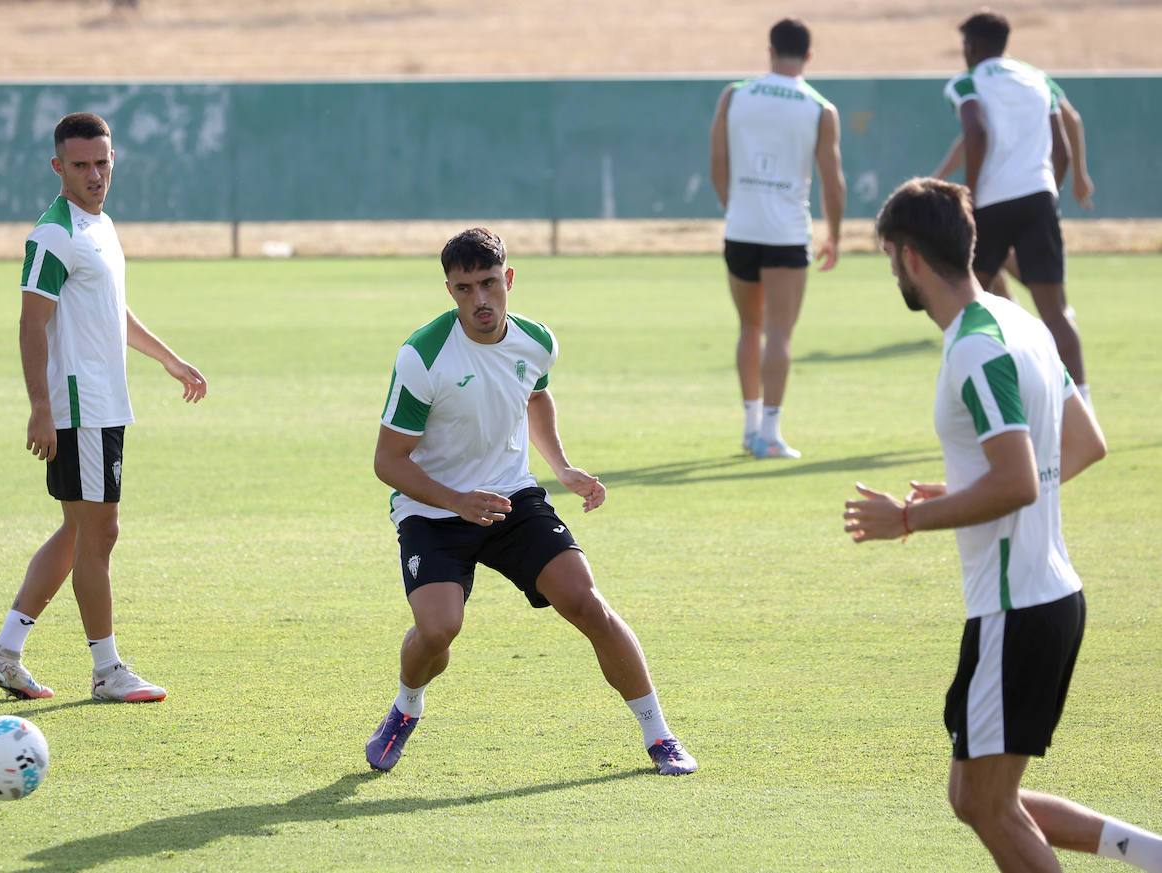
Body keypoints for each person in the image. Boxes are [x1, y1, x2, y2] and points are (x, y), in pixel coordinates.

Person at [844, 176, 1162, 873]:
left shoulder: (974, 348)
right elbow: (1082, 445)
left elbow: (1018, 481)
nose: (892, 268)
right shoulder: (1022, 323)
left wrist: (908, 516)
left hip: (1016, 608)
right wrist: (968, 489)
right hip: (1045, 597)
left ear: (910, 258)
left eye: (889, 255)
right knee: (976, 795)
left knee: (988, 804)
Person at [365, 227, 696, 776]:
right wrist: (458, 501)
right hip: (433, 510)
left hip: (512, 497)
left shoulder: (536, 340)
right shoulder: (423, 356)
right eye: (465, 288)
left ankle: (659, 736)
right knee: (438, 629)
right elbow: (388, 462)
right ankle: (406, 707)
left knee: (588, 603)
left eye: (490, 284)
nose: (481, 301)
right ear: (449, 290)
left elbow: (535, 396)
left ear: (508, 279)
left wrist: (562, 466)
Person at [0, 112, 208, 704]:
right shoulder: (54, 234)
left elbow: (114, 312)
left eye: (102, 162)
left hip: (105, 405)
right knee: (99, 533)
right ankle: (107, 670)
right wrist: (40, 408)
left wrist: (169, 359)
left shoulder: (100, 225)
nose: (95, 174)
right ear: (58, 167)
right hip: (77, 409)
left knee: (80, 534)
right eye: (80, 165)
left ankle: (5, 651)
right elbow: (32, 324)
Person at [709, 17, 845, 459]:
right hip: (787, 233)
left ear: (770, 51)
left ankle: (750, 428)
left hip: (741, 229)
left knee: (749, 326)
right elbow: (833, 179)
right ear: (808, 56)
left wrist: (735, 207)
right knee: (780, 333)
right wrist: (835, 234)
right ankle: (770, 432)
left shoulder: (735, 94)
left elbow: (717, 160)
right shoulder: (820, 108)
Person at [944, 10, 1091, 407]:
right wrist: (1048, 190)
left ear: (971, 46)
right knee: (1056, 313)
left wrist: (969, 196)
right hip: (1039, 199)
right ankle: (1082, 407)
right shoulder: (1036, 77)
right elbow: (1060, 142)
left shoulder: (968, 82)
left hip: (991, 204)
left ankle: (982, 401)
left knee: (966, 306)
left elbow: (975, 133)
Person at [934, 78, 1095, 301]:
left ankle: (1053, 307)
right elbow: (971, 140)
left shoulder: (1017, 80)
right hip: (1032, 190)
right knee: (987, 256)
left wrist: (1079, 174)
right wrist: (937, 178)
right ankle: (1028, 310)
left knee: (994, 254)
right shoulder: (1022, 80)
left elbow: (1071, 121)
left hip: (1017, 187)